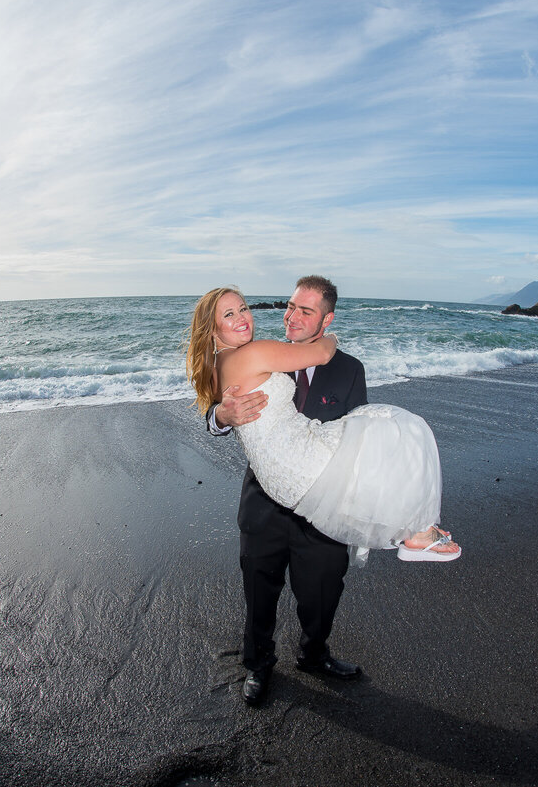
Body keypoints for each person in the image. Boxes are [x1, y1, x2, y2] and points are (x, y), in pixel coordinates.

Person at [188, 277, 458, 705]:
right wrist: (220, 415)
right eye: (290, 307)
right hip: (266, 503)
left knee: (323, 591)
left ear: (327, 317)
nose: (292, 316)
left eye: (306, 311)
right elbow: (220, 407)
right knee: (259, 593)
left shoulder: (350, 370)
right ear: (215, 326)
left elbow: (360, 441)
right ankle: (258, 665)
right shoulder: (263, 351)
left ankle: (314, 654)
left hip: (327, 499)